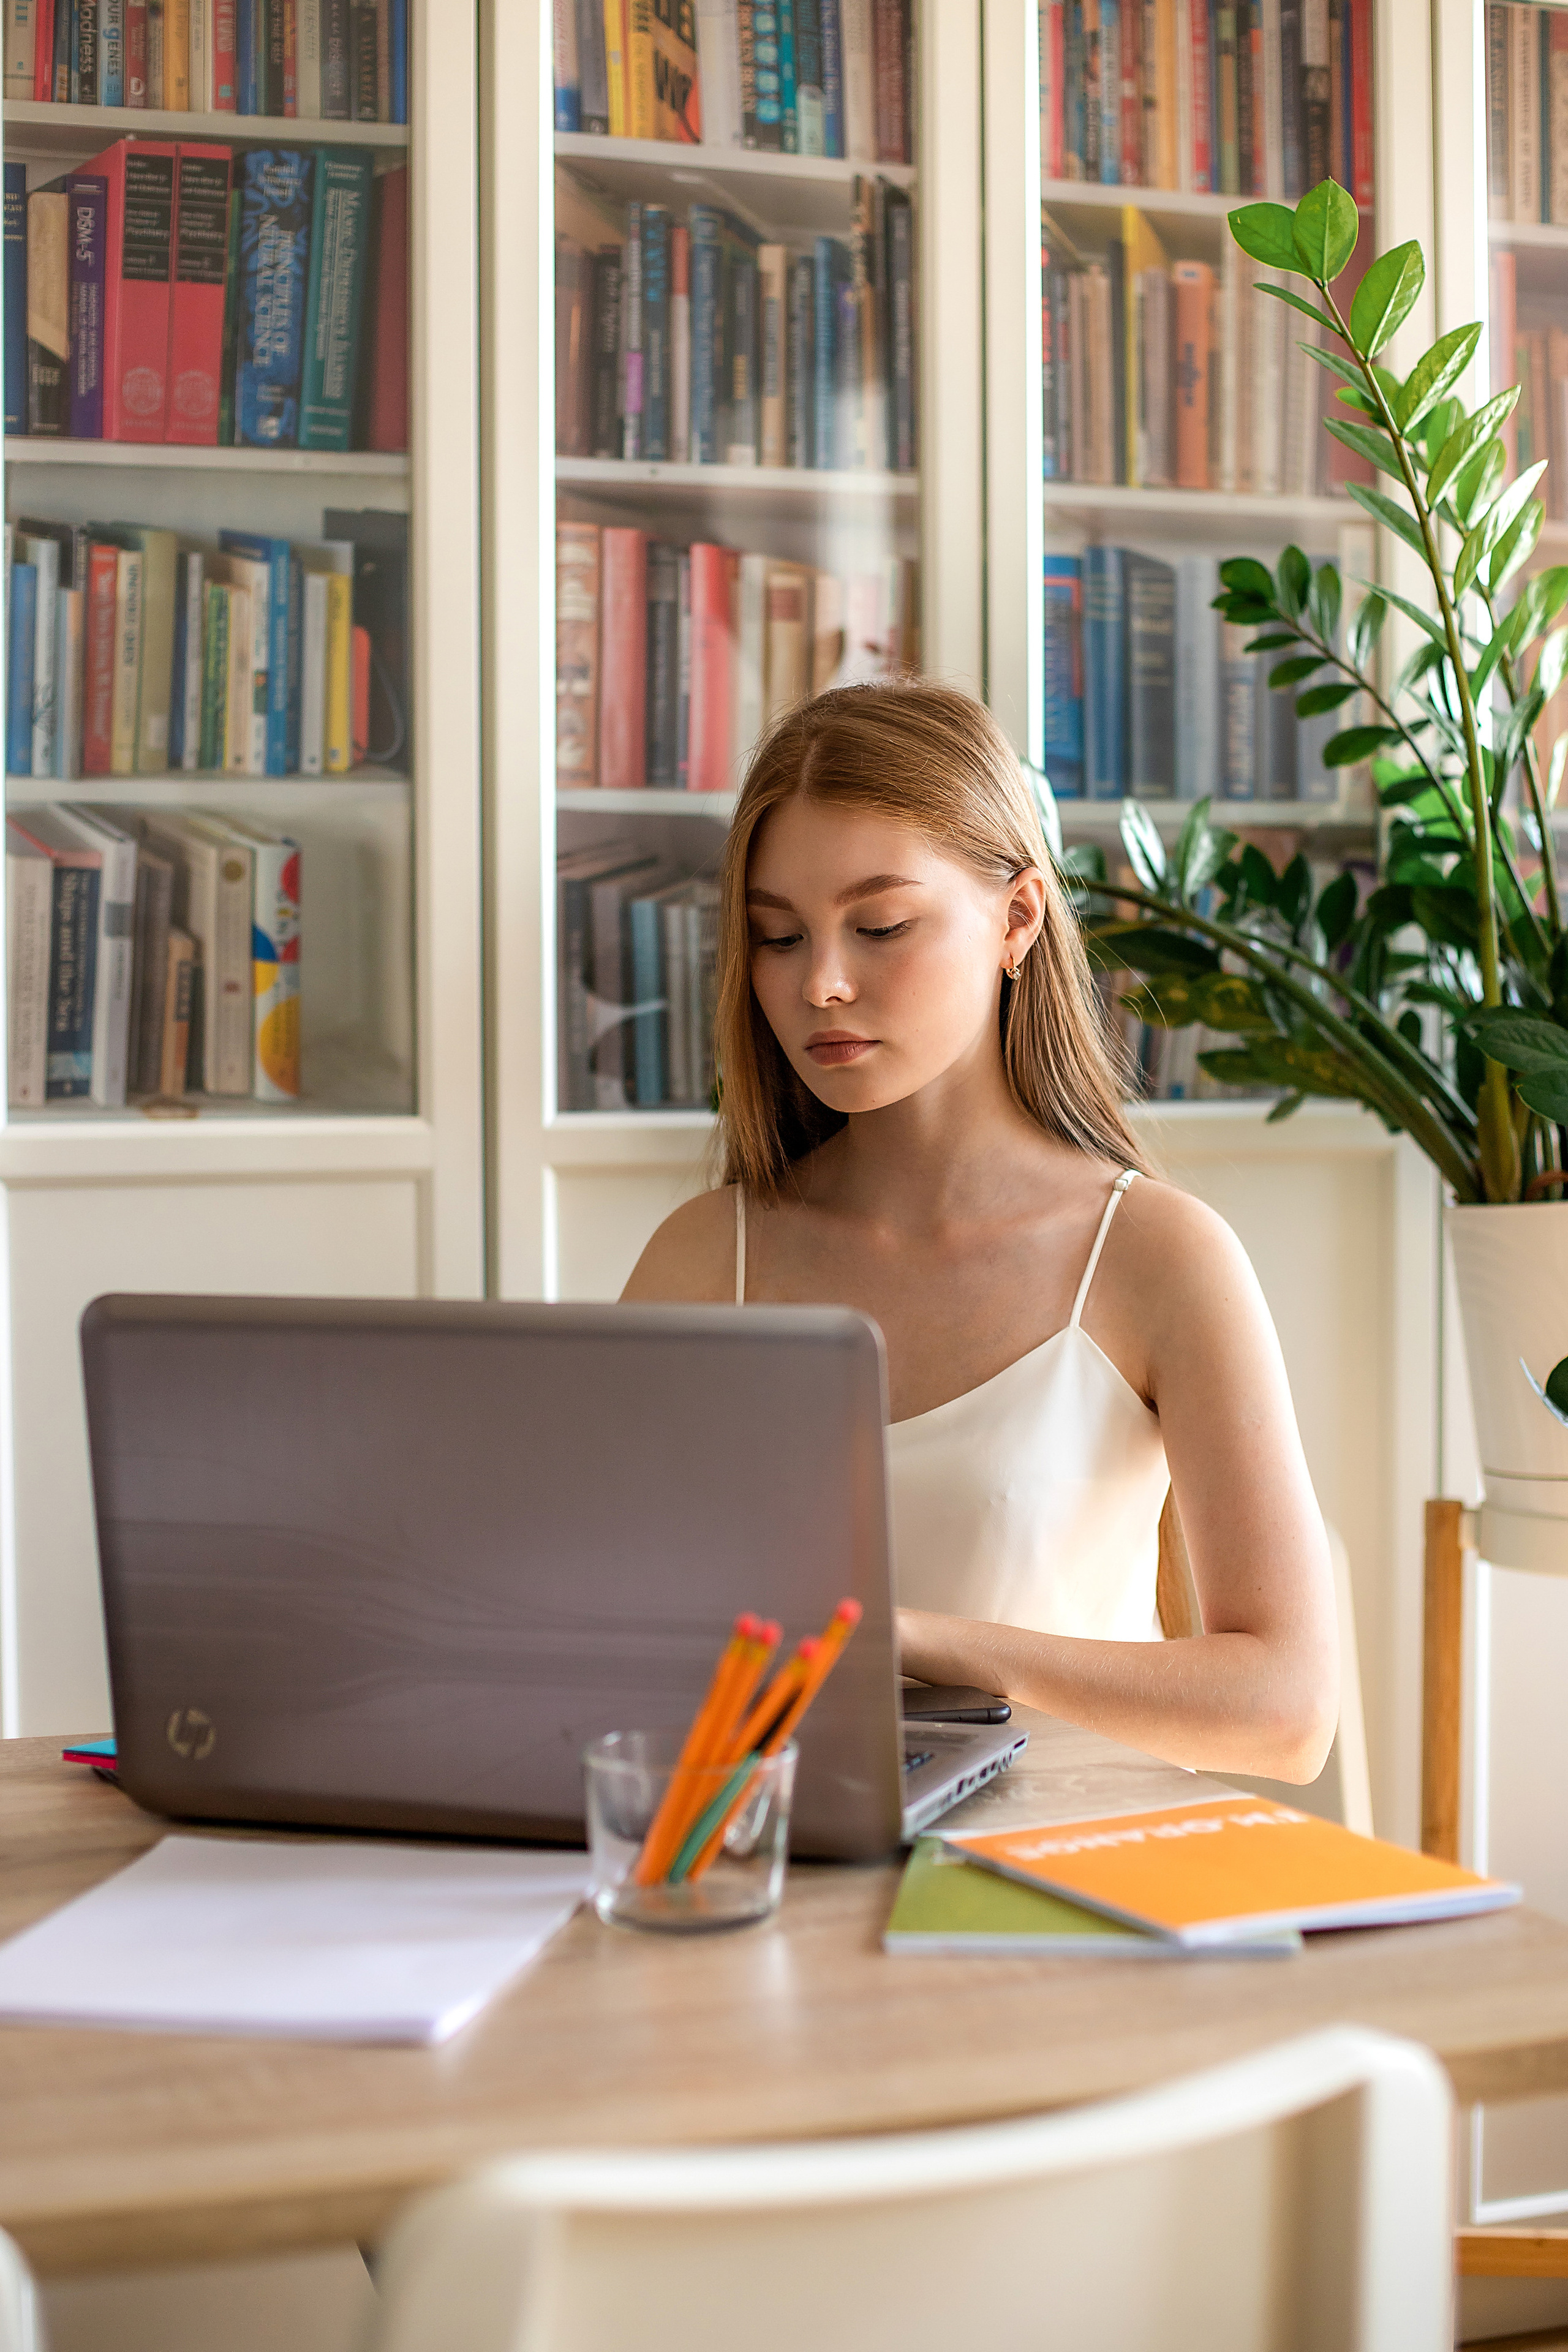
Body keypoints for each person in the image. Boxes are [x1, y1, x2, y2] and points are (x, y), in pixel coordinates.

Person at [623, 682, 1338, 1781]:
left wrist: (915, 1647)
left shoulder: (1159, 1260)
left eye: (881, 926)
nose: (819, 981)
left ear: (1017, 920)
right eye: (776, 935)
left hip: (1072, 1889)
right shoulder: (701, 1258)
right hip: (770, 1870)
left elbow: (1287, 1711)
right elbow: (597, 1620)